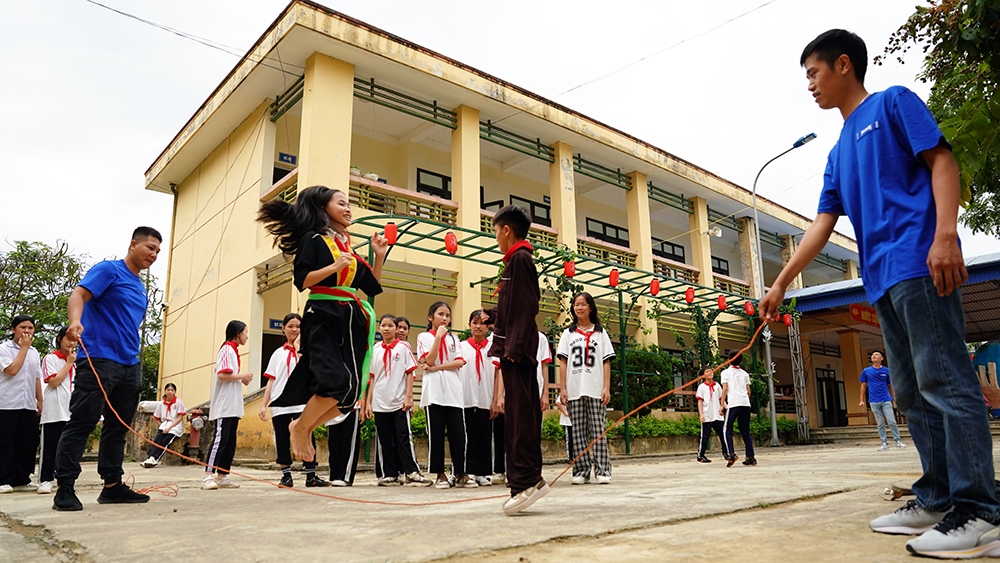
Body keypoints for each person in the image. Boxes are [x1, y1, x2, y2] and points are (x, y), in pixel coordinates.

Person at [760, 29, 1000, 557]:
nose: (811, 86)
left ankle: (982, 509)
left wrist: (945, 234)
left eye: (813, 74)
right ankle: (938, 497)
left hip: (920, 261)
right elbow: (822, 226)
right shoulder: (839, 151)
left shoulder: (893, 103)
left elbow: (942, 160)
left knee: (946, 380)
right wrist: (780, 283)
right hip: (882, 280)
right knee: (913, 392)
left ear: (843, 65)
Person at [257, 186, 388, 462]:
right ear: (322, 209)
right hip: (323, 314)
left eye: (349, 203)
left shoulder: (345, 246)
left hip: (350, 317)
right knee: (335, 381)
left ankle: (300, 426)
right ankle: (302, 427)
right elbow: (302, 280)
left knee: (350, 393)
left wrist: (378, 255)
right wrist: (333, 268)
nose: (348, 208)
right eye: (341, 203)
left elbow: (371, 286)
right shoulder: (313, 239)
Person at [54, 227, 161, 511]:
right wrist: (75, 322)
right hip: (99, 359)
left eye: (158, 251)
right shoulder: (109, 271)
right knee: (83, 422)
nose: (154, 254)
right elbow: (78, 295)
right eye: (150, 247)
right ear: (133, 244)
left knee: (118, 427)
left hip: (130, 364)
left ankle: (112, 485)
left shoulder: (140, 287)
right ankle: (64, 487)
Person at [483, 205, 547, 514]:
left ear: (507, 230)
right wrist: (493, 317)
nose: (495, 237)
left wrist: (512, 350)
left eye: (496, 231)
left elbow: (527, 306)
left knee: (521, 419)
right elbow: (513, 308)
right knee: (521, 417)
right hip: (515, 350)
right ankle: (529, 479)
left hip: (517, 354)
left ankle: (524, 483)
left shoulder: (520, 259)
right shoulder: (516, 262)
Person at [259, 313, 329, 488]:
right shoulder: (277, 354)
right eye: (291, 326)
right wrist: (263, 404)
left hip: (302, 401)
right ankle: (286, 476)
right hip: (280, 402)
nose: (295, 330)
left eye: (298, 326)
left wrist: (300, 349)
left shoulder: (308, 351)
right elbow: (271, 380)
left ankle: (311, 475)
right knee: (282, 438)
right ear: (283, 328)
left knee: (306, 433)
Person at [363, 313, 429, 486]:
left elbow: (409, 373)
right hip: (379, 402)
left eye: (390, 326)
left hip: (399, 402)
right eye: (383, 325)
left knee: (403, 437)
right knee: (384, 439)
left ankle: (412, 472)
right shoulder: (375, 349)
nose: (387, 328)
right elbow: (372, 377)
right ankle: (389, 474)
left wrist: (409, 397)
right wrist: (369, 402)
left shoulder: (403, 348)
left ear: (395, 328)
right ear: (379, 328)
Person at [557, 292, 615, 485]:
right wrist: (562, 388)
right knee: (578, 432)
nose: (579, 308)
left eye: (582, 304)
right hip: (574, 388)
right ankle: (581, 470)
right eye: (575, 305)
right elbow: (563, 362)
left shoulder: (601, 332)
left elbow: (606, 362)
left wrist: (606, 387)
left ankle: (603, 470)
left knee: (598, 430)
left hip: (596, 388)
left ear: (591, 307)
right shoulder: (568, 333)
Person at [418, 301, 473, 489]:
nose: (445, 318)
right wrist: (438, 338)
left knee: (458, 433)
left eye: (448, 315)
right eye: (440, 314)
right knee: (436, 433)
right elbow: (429, 358)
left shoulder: (454, 339)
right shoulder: (424, 336)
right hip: (434, 392)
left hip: (453, 391)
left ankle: (460, 472)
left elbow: (459, 362)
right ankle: (439, 474)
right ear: (430, 317)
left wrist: (436, 367)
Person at [492, 331, 551, 485]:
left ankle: (535, 473)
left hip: (533, 392)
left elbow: (544, 367)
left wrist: (545, 394)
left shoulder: (540, 338)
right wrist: (499, 395)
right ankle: (512, 474)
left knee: (533, 433)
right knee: (513, 435)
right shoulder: (507, 337)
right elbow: (501, 369)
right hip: (512, 392)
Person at [202, 320, 253, 490]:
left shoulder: (234, 351)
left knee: (230, 441)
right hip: (224, 405)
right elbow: (223, 375)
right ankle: (208, 476)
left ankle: (223, 475)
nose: (247, 336)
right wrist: (242, 375)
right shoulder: (226, 349)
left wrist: (241, 378)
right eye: (245, 332)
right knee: (220, 440)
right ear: (238, 333)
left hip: (233, 404)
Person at [0, 315, 43, 494]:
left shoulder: (34, 352)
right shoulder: (4, 348)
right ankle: (3, 479)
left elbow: (36, 376)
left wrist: (39, 399)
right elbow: (11, 370)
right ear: (13, 329)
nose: (27, 331)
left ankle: (22, 478)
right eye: (22, 327)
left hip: (27, 403)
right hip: (7, 401)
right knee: (6, 441)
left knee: (28, 440)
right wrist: (23, 348)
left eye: (30, 328)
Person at [460, 310, 498, 487]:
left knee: (484, 435)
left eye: (482, 323)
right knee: (467, 436)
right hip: (465, 398)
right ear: (469, 325)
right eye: (474, 322)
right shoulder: (461, 347)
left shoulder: (493, 348)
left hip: (485, 397)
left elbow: (498, 374)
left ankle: (483, 472)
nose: (478, 326)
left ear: (488, 327)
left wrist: (496, 400)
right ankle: (467, 471)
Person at [38, 326, 75, 494]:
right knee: (50, 447)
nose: (72, 343)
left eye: (75, 340)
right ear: (60, 339)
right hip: (54, 409)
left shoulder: (80, 361)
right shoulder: (50, 359)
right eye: (68, 339)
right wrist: (68, 363)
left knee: (69, 449)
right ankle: (45, 479)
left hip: (72, 410)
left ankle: (65, 479)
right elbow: (53, 381)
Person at [859, 350, 904, 451]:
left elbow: (889, 385)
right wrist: (861, 400)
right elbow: (863, 386)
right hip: (873, 400)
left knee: (891, 421)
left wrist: (892, 398)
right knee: (880, 423)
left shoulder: (886, 371)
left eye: (876, 355)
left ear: (882, 358)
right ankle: (884, 443)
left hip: (886, 399)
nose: (874, 356)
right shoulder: (866, 371)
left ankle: (898, 441)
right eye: (872, 355)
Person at [720, 351, 754, 467]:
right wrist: (744, 399)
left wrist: (721, 404)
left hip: (734, 403)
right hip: (745, 403)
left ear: (729, 359)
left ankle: (731, 454)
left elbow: (725, 388)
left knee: (727, 429)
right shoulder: (745, 373)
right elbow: (748, 391)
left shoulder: (725, 372)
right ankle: (750, 457)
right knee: (745, 431)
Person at [139, 383, 185, 468]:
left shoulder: (178, 402)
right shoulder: (161, 404)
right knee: (157, 441)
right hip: (164, 425)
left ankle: (156, 459)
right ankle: (150, 458)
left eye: (172, 390)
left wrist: (169, 428)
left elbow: (179, 418)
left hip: (175, 426)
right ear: (165, 391)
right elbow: (156, 417)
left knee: (165, 442)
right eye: (168, 390)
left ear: (175, 392)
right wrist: (162, 425)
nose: (170, 392)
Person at [695, 367, 729, 463]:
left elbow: (721, 399)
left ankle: (726, 453)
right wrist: (701, 415)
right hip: (707, 415)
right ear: (703, 376)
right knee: (705, 437)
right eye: (707, 371)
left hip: (718, 415)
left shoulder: (717, 385)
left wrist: (726, 407)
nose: (710, 372)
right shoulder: (702, 387)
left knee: (723, 435)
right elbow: (700, 402)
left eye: (711, 371)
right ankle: (701, 455)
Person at [326, 404, 362, 486]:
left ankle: (346, 476)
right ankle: (335, 475)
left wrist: (362, 401)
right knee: (334, 444)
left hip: (351, 406)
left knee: (349, 442)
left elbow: (362, 390)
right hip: (332, 407)